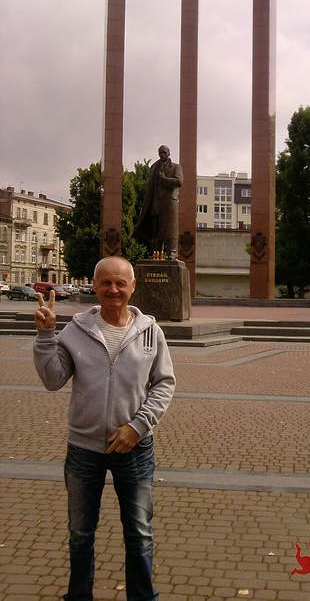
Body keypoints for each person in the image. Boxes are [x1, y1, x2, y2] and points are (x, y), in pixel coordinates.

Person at [33, 256, 176, 601]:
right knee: (81, 533)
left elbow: (164, 384)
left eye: (120, 283)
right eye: (106, 282)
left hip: (135, 449)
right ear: (94, 285)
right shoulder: (75, 331)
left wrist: (137, 427)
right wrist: (46, 334)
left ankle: (142, 597)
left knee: (139, 533)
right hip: (84, 449)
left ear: (132, 287)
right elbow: (53, 380)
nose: (113, 290)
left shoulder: (150, 332)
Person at [133, 145, 183, 259]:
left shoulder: (176, 167)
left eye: (164, 152)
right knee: (156, 229)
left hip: (170, 202)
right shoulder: (154, 167)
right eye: (160, 152)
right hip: (156, 202)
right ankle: (156, 253)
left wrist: (164, 179)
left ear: (169, 153)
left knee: (171, 228)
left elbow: (179, 182)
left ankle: (172, 253)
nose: (162, 154)